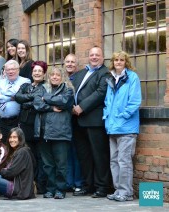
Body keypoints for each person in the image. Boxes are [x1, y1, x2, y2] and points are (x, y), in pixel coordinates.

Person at [72, 46, 111, 198]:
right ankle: (88, 185)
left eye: (97, 55)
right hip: (77, 120)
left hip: (94, 120)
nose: (94, 57)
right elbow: (71, 90)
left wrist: (82, 107)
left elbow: (100, 93)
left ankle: (102, 187)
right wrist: (71, 107)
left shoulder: (105, 73)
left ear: (102, 57)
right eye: (92, 55)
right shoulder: (81, 73)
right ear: (88, 56)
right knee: (84, 155)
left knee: (99, 155)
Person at [103, 51, 141, 202]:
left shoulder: (132, 77)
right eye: (116, 60)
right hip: (112, 127)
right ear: (113, 62)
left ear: (126, 62)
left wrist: (122, 117)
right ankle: (118, 190)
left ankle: (126, 192)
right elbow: (107, 101)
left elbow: (135, 102)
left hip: (126, 127)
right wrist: (107, 118)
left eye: (121, 60)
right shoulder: (111, 78)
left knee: (124, 160)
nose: (119, 62)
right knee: (114, 160)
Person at [33, 66, 74, 199]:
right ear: (49, 77)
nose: (55, 77)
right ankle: (50, 189)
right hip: (43, 132)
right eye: (52, 75)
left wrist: (46, 99)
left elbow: (63, 101)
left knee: (61, 164)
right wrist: (51, 107)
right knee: (48, 164)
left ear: (62, 77)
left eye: (58, 75)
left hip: (60, 132)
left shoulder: (68, 90)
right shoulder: (42, 88)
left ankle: (60, 190)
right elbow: (37, 104)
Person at [14, 60, 47, 194]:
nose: (37, 73)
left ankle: (41, 185)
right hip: (25, 125)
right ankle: (30, 183)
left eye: (40, 71)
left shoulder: (46, 87)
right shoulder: (26, 85)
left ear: (44, 73)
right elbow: (17, 97)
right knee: (29, 156)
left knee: (41, 156)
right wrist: (31, 99)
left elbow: (38, 102)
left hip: (39, 125)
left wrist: (27, 102)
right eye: (35, 71)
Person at [0, 60, 31, 143]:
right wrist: (10, 98)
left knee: (17, 146)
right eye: (8, 70)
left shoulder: (25, 81)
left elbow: (16, 93)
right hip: (3, 122)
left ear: (18, 70)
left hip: (17, 121)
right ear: (5, 71)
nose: (10, 72)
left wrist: (2, 92)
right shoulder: (0, 82)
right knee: (4, 147)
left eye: (13, 69)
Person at [64, 53, 84, 193]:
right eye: (67, 62)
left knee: (77, 152)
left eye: (72, 62)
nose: (70, 64)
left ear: (76, 64)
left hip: (77, 121)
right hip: (65, 121)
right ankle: (69, 182)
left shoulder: (80, 78)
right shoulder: (63, 78)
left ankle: (78, 182)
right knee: (67, 153)